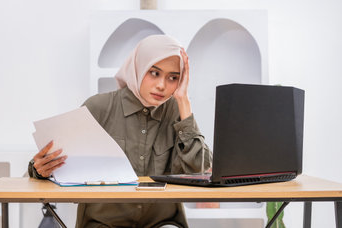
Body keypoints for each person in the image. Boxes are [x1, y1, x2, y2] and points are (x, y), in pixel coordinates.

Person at [28, 35, 212, 228]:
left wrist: (184, 101)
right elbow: (52, 164)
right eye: (154, 73)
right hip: (103, 224)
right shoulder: (98, 107)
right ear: (138, 67)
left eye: (173, 78)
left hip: (162, 223)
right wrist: (39, 169)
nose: (162, 85)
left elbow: (198, 170)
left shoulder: (176, 112)